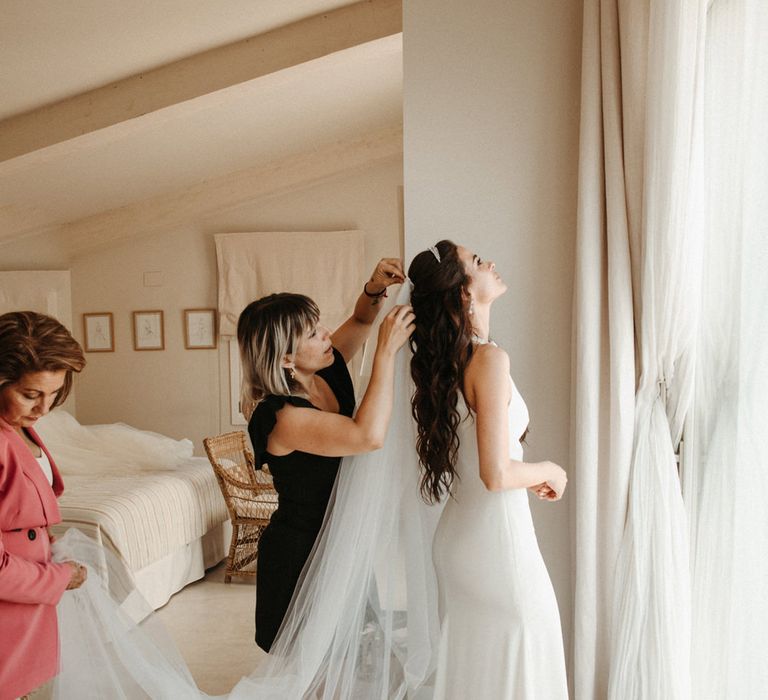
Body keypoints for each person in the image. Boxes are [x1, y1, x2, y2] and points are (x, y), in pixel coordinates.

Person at [408, 239, 569, 699]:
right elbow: (495, 474)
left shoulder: (453, 364)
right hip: (495, 546)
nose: (491, 263)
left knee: (481, 676)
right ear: (462, 292)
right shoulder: (488, 361)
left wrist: (526, 474)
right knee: (526, 664)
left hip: (462, 543)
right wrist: (548, 471)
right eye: (477, 262)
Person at [237, 258, 414, 652]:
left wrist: (374, 287)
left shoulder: (324, 368)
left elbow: (362, 322)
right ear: (285, 359)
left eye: (319, 325)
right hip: (302, 553)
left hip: (339, 541)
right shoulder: (281, 416)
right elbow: (366, 436)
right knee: (311, 670)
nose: (327, 336)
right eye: (314, 334)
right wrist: (385, 354)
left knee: (346, 660)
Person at [0, 311, 88, 700]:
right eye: (31, 395)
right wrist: (59, 578)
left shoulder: (18, 425)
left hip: (25, 607)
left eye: (54, 395)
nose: (44, 410)